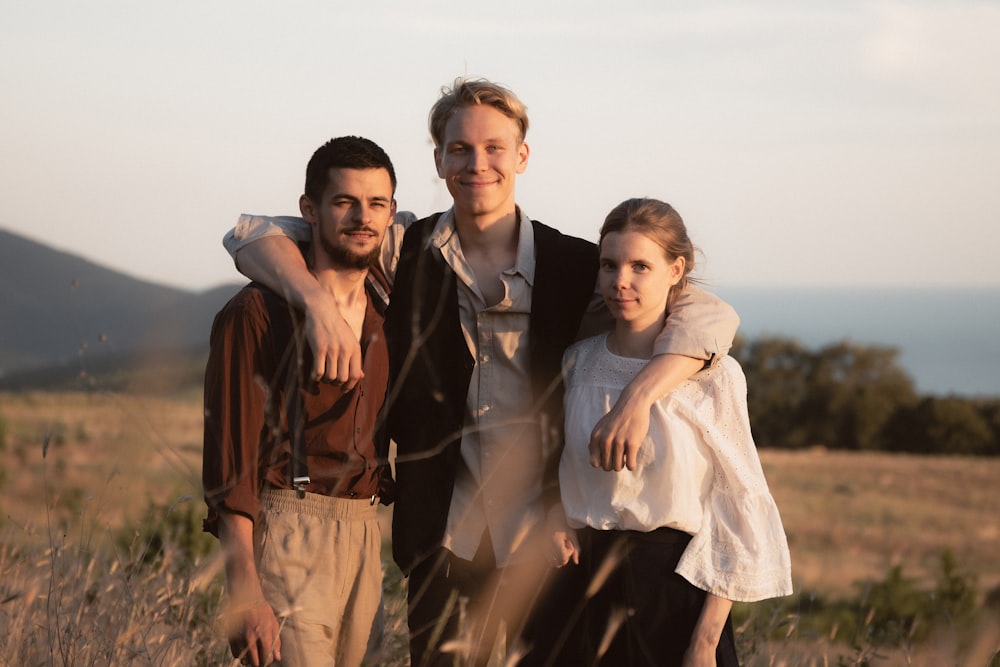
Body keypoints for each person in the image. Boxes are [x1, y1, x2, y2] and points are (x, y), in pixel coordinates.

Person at [222, 78, 741, 666]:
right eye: (460, 148)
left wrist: (641, 395)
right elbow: (251, 233)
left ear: (521, 156)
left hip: (550, 545)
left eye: (495, 148)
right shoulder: (401, 249)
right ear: (439, 158)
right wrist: (314, 302)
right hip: (443, 539)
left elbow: (706, 313)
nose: (478, 164)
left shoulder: (574, 267)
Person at [548, 198, 793, 666]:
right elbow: (563, 463)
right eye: (609, 265)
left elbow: (734, 505)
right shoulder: (577, 362)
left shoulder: (714, 377)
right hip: (582, 589)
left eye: (641, 265)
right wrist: (556, 515)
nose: (620, 281)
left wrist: (703, 640)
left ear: (676, 269)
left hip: (675, 593)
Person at [202, 136, 398, 667]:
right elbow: (231, 468)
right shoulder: (257, 315)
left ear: (392, 214)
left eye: (377, 204)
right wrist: (244, 587)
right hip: (288, 529)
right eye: (344, 202)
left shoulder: (389, 305)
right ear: (309, 210)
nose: (362, 217)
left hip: (365, 535)